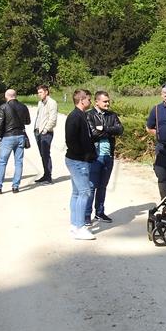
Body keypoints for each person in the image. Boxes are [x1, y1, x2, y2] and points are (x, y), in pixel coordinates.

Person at [85, 91, 124, 224]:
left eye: (108, 101)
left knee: (103, 186)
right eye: (105, 101)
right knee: (91, 187)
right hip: (96, 156)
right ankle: (86, 215)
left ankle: (100, 213)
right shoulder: (89, 115)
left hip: (109, 156)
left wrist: (105, 128)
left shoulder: (112, 115)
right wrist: (109, 131)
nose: (107, 103)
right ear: (97, 102)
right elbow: (94, 133)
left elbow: (120, 129)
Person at [66, 89, 97, 240]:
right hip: (78, 160)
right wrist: (84, 156)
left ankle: (74, 225)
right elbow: (71, 141)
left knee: (77, 192)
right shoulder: (74, 117)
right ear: (82, 100)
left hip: (79, 159)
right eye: (89, 100)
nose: (90, 102)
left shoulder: (81, 115)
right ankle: (79, 226)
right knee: (85, 192)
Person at [0, 89, 31, 195]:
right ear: (15, 96)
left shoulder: (4, 107)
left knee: (2, 162)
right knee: (19, 162)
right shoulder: (23, 106)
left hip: (8, 136)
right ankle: (15, 186)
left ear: (6, 96)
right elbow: (28, 121)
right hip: (20, 135)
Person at [34, 85, 58, 184]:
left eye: (41, 92)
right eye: (38, 92)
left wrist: (45, 129)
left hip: (46, 133)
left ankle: (48, 177)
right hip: (38, 131)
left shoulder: (52, 103)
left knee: (46, 154)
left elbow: (53, 119)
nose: (39, 94)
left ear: (46, 92)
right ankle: (45, 174)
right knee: (42, 155)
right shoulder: (40, 103)